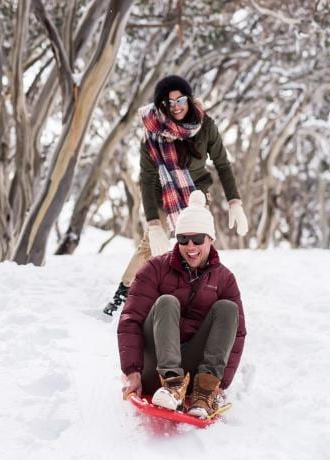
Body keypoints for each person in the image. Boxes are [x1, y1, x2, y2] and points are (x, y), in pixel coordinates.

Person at [103, 75, 248, 316]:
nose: (176, 106)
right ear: (162, 105)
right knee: (150, 244)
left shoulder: (205, 126)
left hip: (197, 192)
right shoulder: (152, 134)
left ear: (189, 100)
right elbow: (147, 179)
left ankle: (200, 294)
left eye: (181, 100)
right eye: (169, 103)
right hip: (162, 193)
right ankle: (124, 292)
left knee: (198, 242)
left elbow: (222, 163)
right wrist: (154, 224)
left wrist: (235, 202)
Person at [117, 190, 246, 418]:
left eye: (197, 239)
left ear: (211, 240)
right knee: (167, 302)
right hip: (155, 367)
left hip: (195, 369)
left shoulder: (224, 279)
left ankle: (204, 392)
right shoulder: (155, 269)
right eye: (183, 239)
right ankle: (172, 386)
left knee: (228, 309)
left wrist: (222, 383)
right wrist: (132, 372)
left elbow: (237, 334)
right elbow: (131, 321)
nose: (190, 246)